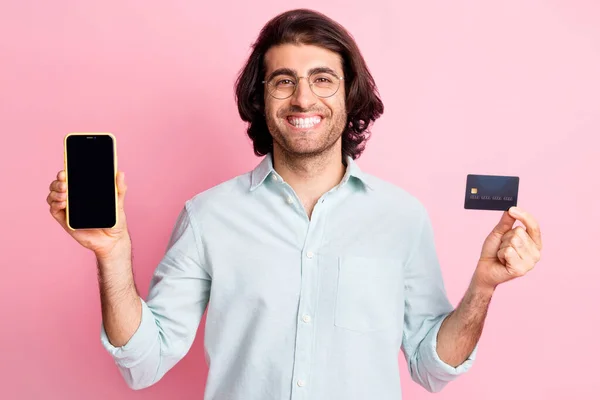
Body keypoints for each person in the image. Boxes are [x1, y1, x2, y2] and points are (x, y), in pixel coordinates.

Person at [46, 8, 543, 400]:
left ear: (349, 95)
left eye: (323, 79)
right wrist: (112, 255)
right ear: (261, 99)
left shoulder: (402, 218)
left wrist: (482, 286)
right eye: (284, 81)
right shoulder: (208, 217)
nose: (303, 99)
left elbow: (432, 367)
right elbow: (144, 363)